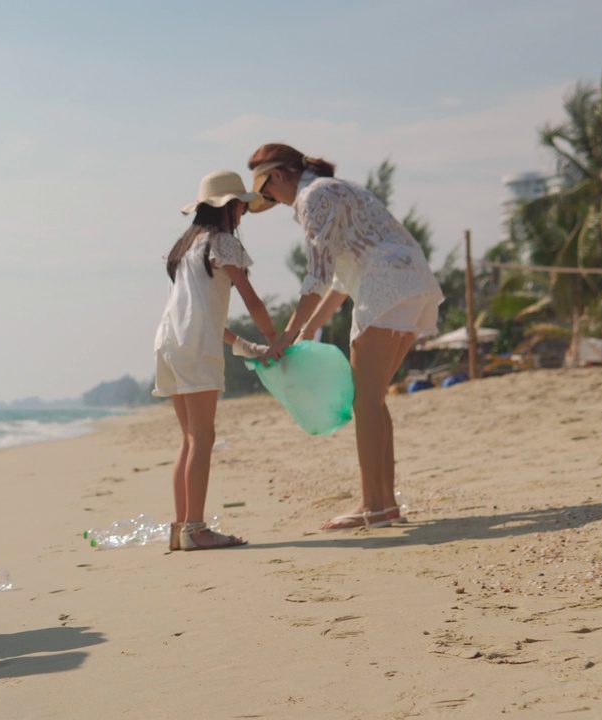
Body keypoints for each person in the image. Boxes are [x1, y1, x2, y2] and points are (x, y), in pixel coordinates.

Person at [247, 143, 444, 531]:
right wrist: (306, 330)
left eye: (268, 189)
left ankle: (373, 507)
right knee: (372, 400)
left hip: (385, 285)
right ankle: (382, 504)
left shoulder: (312, 196)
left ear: (280, 174)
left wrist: (286, 336)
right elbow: (338, 280)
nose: (270, 198)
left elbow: (317, 275)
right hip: (413, 283)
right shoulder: (339, 188)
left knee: (365, 401)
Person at [154, 171, 278, 551]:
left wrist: (244, 345)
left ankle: (181, 529)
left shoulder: (187, 246)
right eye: (241, 205)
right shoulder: (223, 244)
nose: (243, 213)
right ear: (229, 207)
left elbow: (202, 315)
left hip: (168, 343)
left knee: (190, 439)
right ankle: (196, 529)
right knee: (203, 439)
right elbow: (252, 300)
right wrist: (275, 340)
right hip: (194, 348)